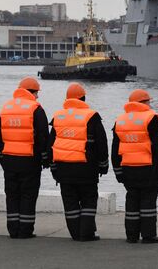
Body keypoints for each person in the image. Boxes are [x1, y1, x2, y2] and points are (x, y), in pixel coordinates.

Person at [48, 82, 108, 241]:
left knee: (70, 202)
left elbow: (51, 145)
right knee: (89, 200)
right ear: (84, 98)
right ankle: (86, 234)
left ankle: (75, 233)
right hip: (87, 168)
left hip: (63, 169)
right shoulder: (91, 116)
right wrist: (103, 165)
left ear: (67, 99)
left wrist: (53, 168)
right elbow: (101, 143)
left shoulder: (57, 117)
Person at [111, 89, 158, 244]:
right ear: (144, 102)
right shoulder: (150, 118)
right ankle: (148, 235)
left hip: (128, 168)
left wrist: (118, 172)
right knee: (148, 202)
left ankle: (131, 235)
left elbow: (115, 150)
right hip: (148, 168)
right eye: (148, 101)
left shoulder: (120, 120)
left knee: (131, 201)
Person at [0, 77, 49, 239]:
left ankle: (13, 229)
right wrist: (45, 159)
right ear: (31, 92)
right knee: (28, 195)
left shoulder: (6, 108)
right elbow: (43, 137)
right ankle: (25, 230)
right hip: (29, 161)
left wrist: (2, 158)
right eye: (36, 92)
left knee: (12, 195)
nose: (38, 96)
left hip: (9, 161)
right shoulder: (35, 109)